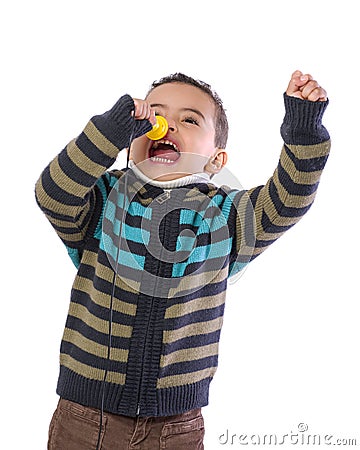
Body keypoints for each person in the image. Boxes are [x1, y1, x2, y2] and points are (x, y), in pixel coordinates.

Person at [35, 70, 330, 449]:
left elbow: (288, 199)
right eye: (152, 115)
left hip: (176, 425)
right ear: (128, 146)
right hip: (85, 415)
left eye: (189, 119)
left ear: (216, 160)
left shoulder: (225, 217)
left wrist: (303, 131)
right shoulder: (104, 200)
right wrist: (109, 131)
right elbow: (53, 192)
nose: (166, 125)